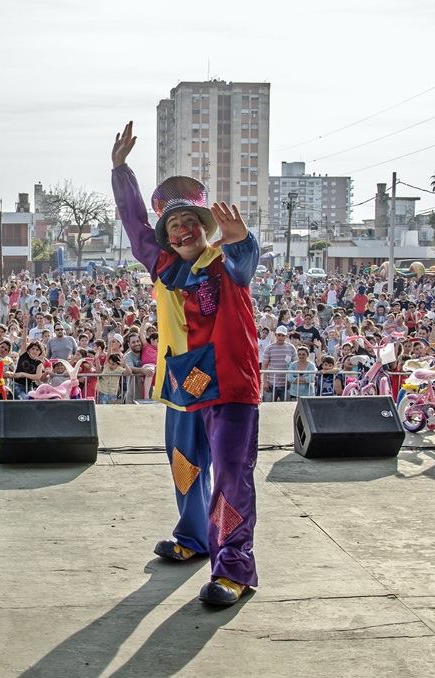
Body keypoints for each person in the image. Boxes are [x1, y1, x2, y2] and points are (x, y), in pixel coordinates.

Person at [111, 121, 260, 606]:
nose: (183, 229)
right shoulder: (163, 266)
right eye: (173, 225)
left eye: (190, 222)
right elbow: (135, 224)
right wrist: (120, 171)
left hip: (230, 386)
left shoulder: (223, 263)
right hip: (182, 384)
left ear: (205, 229)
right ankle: (194, 538)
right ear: (167, 236)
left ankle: (233, 568)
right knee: (185, 467)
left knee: (232, 476)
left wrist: (240, 240)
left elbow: (245, 263)